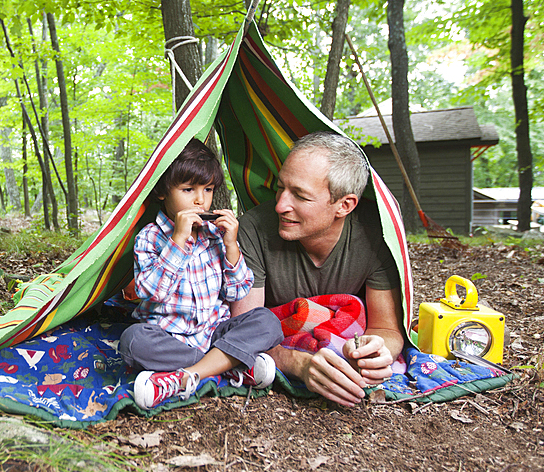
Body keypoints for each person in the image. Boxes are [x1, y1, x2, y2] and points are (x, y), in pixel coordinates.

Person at [231, 131, 407, 407]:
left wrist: (377, 352)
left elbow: (386, 328)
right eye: (281, 188)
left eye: (300, 196)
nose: (280, 205)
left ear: (344, 205)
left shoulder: (377, 236)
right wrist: (296, 363)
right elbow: (241, 332)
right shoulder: (254, 229)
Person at [120, 139, 283, 410]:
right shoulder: (149, 238)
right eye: (188, 189)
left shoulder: (215, 235)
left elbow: (237, 292)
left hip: (214, 332)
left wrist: (231, 245)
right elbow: (151, 292)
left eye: (207, 189)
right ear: (162, 192)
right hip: (169, 337)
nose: (200, 199)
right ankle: (227, 365)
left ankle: (186, 375)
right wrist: (178, 241)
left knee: (268, 321)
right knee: (133, 341)